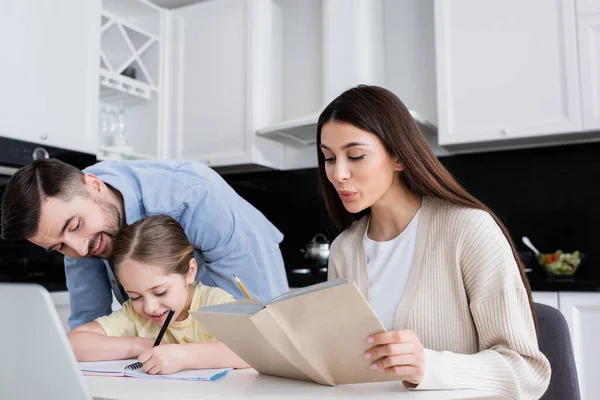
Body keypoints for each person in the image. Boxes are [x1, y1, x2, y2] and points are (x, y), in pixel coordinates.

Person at [317, 85, 550, 399]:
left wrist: (427, 366)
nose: (339, 174)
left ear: (399, 157)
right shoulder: (344, 249)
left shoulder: (468, 229)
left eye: (355, 156)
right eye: (329, 159)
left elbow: (527, 371)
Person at [0, 159, 288, 329]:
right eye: (59, 247)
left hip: (248, 267)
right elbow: (88, 325)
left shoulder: (194, 201)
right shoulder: (72, 229)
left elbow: (256, 322)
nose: (79, 250)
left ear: (95, 186)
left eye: (75, 226)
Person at [68, 215, 249, 374]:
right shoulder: (133, 314)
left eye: (161, 292)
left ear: (190, 271)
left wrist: (184, 356)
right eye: (135, 296)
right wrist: (141, 345)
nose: (150, 307)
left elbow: (253, 350)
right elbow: (74, 343)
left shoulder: (213, 303)